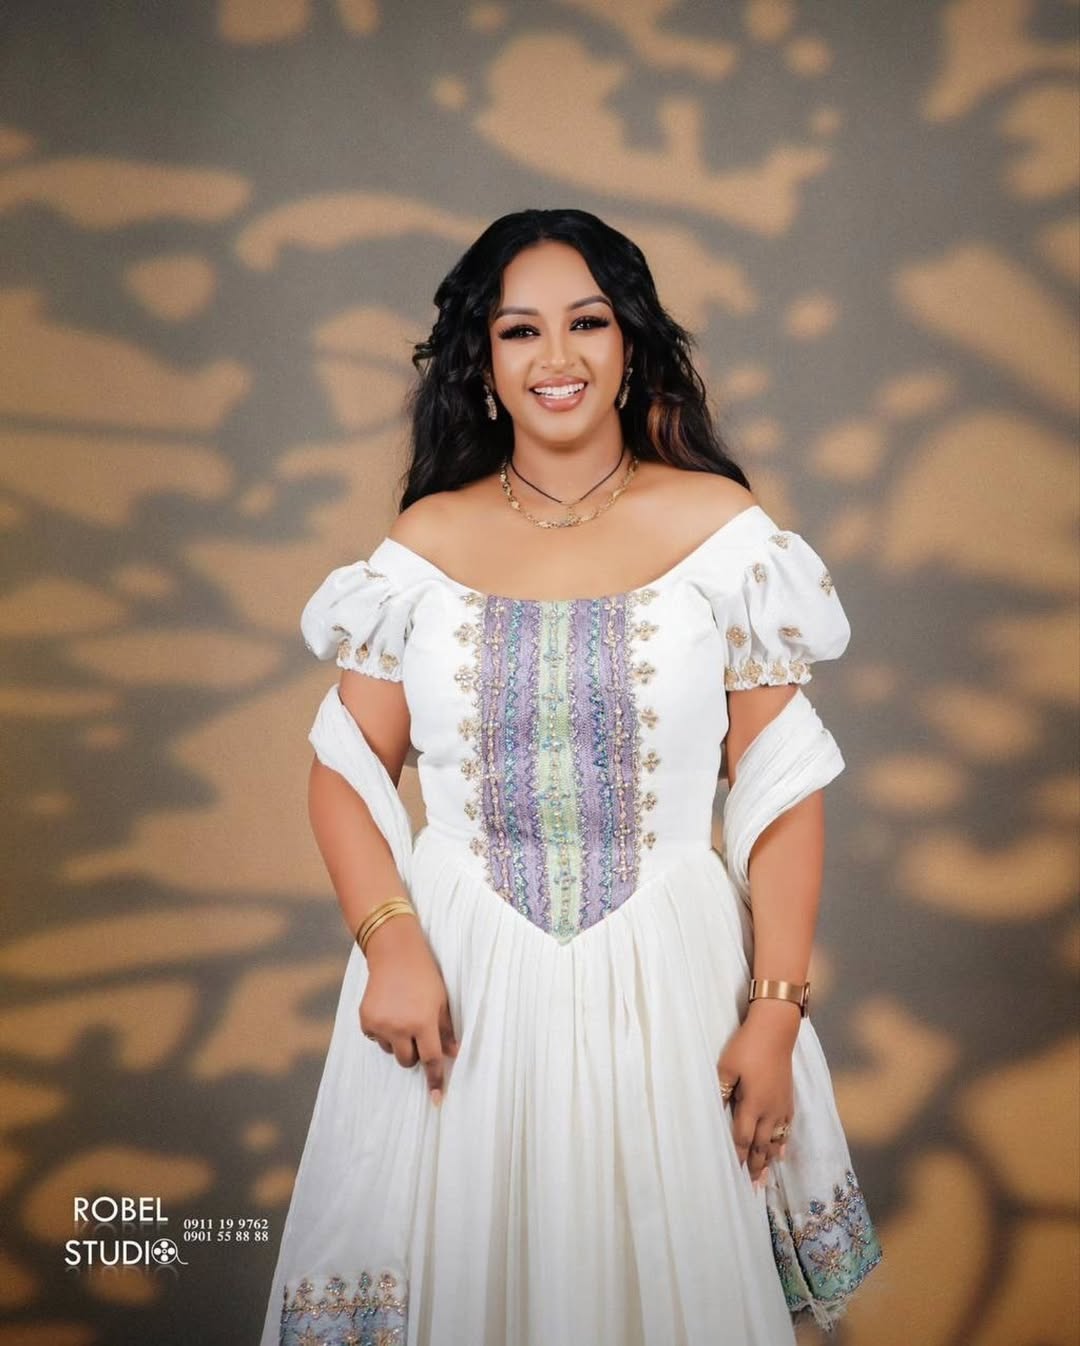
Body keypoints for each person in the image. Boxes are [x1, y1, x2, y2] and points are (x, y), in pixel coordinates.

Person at [260, 208, 883, 1346]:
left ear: (631, 345)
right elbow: (346, 768)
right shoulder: (425, 544)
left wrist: (776, 1012)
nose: (559, 358)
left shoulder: (722, 532)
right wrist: (390, 939)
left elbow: (783, 784)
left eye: (588, 322)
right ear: (483, 366)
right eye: (520, 330)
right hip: (461, 981)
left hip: (675, 975)